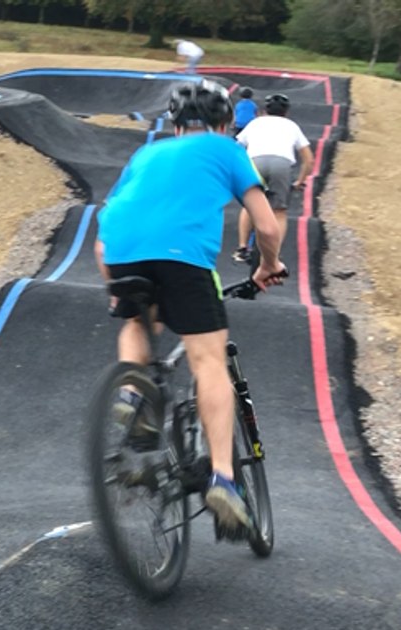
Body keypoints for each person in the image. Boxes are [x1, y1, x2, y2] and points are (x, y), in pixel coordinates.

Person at [94, 79, 286, 531]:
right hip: (182, 258)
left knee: (140, 318)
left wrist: (117, 289)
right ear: (224, 124)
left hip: (117, 249)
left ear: (176, 126)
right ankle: (223, 478)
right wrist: (267, 266)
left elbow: (104, 237)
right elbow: (267, 227)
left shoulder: (145, 154)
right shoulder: (228, 152)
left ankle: (132, 394)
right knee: (208, 361)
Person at [232, 93, 314, 263]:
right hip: (281, 165)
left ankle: (242, 248)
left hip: (255, 162)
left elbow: (236, 148)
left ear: (264, 110)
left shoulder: (255, 123)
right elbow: (308, 159)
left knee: (249, 207)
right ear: (287, 112)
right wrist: (300, 180)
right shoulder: (292, 126)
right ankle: (273, 254)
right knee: (279, 212)